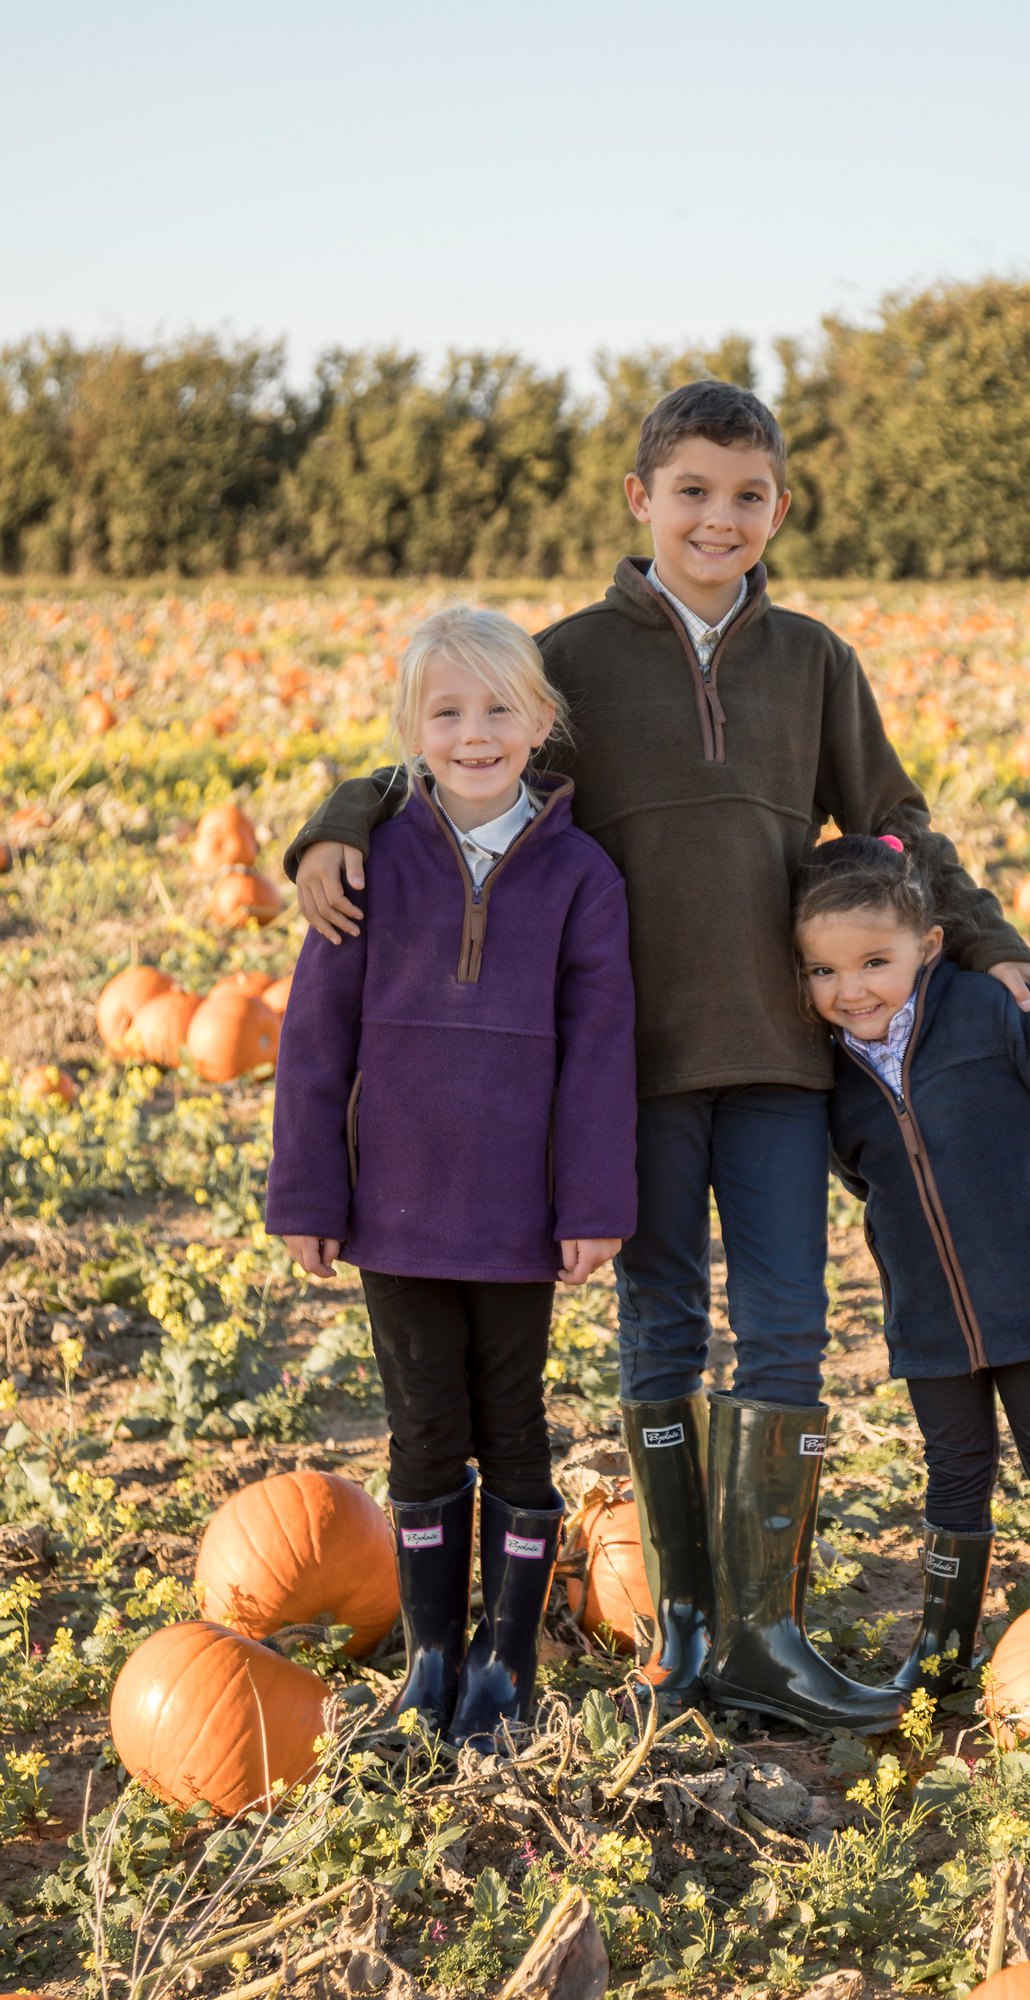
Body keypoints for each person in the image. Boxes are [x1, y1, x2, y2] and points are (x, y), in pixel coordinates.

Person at [282, 381, 1030, 1736]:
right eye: (694, 491)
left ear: (779, 509)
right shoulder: (574, 658)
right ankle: (684, 1627)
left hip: (777, 1053)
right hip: (628, 1065)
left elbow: (891, 820)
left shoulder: (812, 661)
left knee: (784, 1326)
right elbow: (456, 755)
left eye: (747, 494)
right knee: (661, 1321)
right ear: (641, 499)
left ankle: (766, 1628)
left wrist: (991, 940)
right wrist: (335, 817)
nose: (720, 517)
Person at [266, 606, 636, 1746]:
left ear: (541, 720)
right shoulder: (366, 862)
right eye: (447, 712)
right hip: (397, 1207)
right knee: (424, 1427)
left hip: (518, 1213)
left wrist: (591, 1202)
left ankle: (504, 1661)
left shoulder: (580, 874)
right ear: (410, 730)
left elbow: (601, 1052)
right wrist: (308, 1193)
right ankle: (432, 1657)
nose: (474, 733)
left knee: (513, 1423)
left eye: (498, 709)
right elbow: (314, 1040)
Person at [793, 833, 1030, 1701]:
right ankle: (943, 1650)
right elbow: (858, 1172)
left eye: (874, 962)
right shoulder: (829, 1073)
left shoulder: (989, 1012)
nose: (850, 990)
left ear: (928, 946)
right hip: (929, 1317)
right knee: (952, 1473)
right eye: (823, 971)